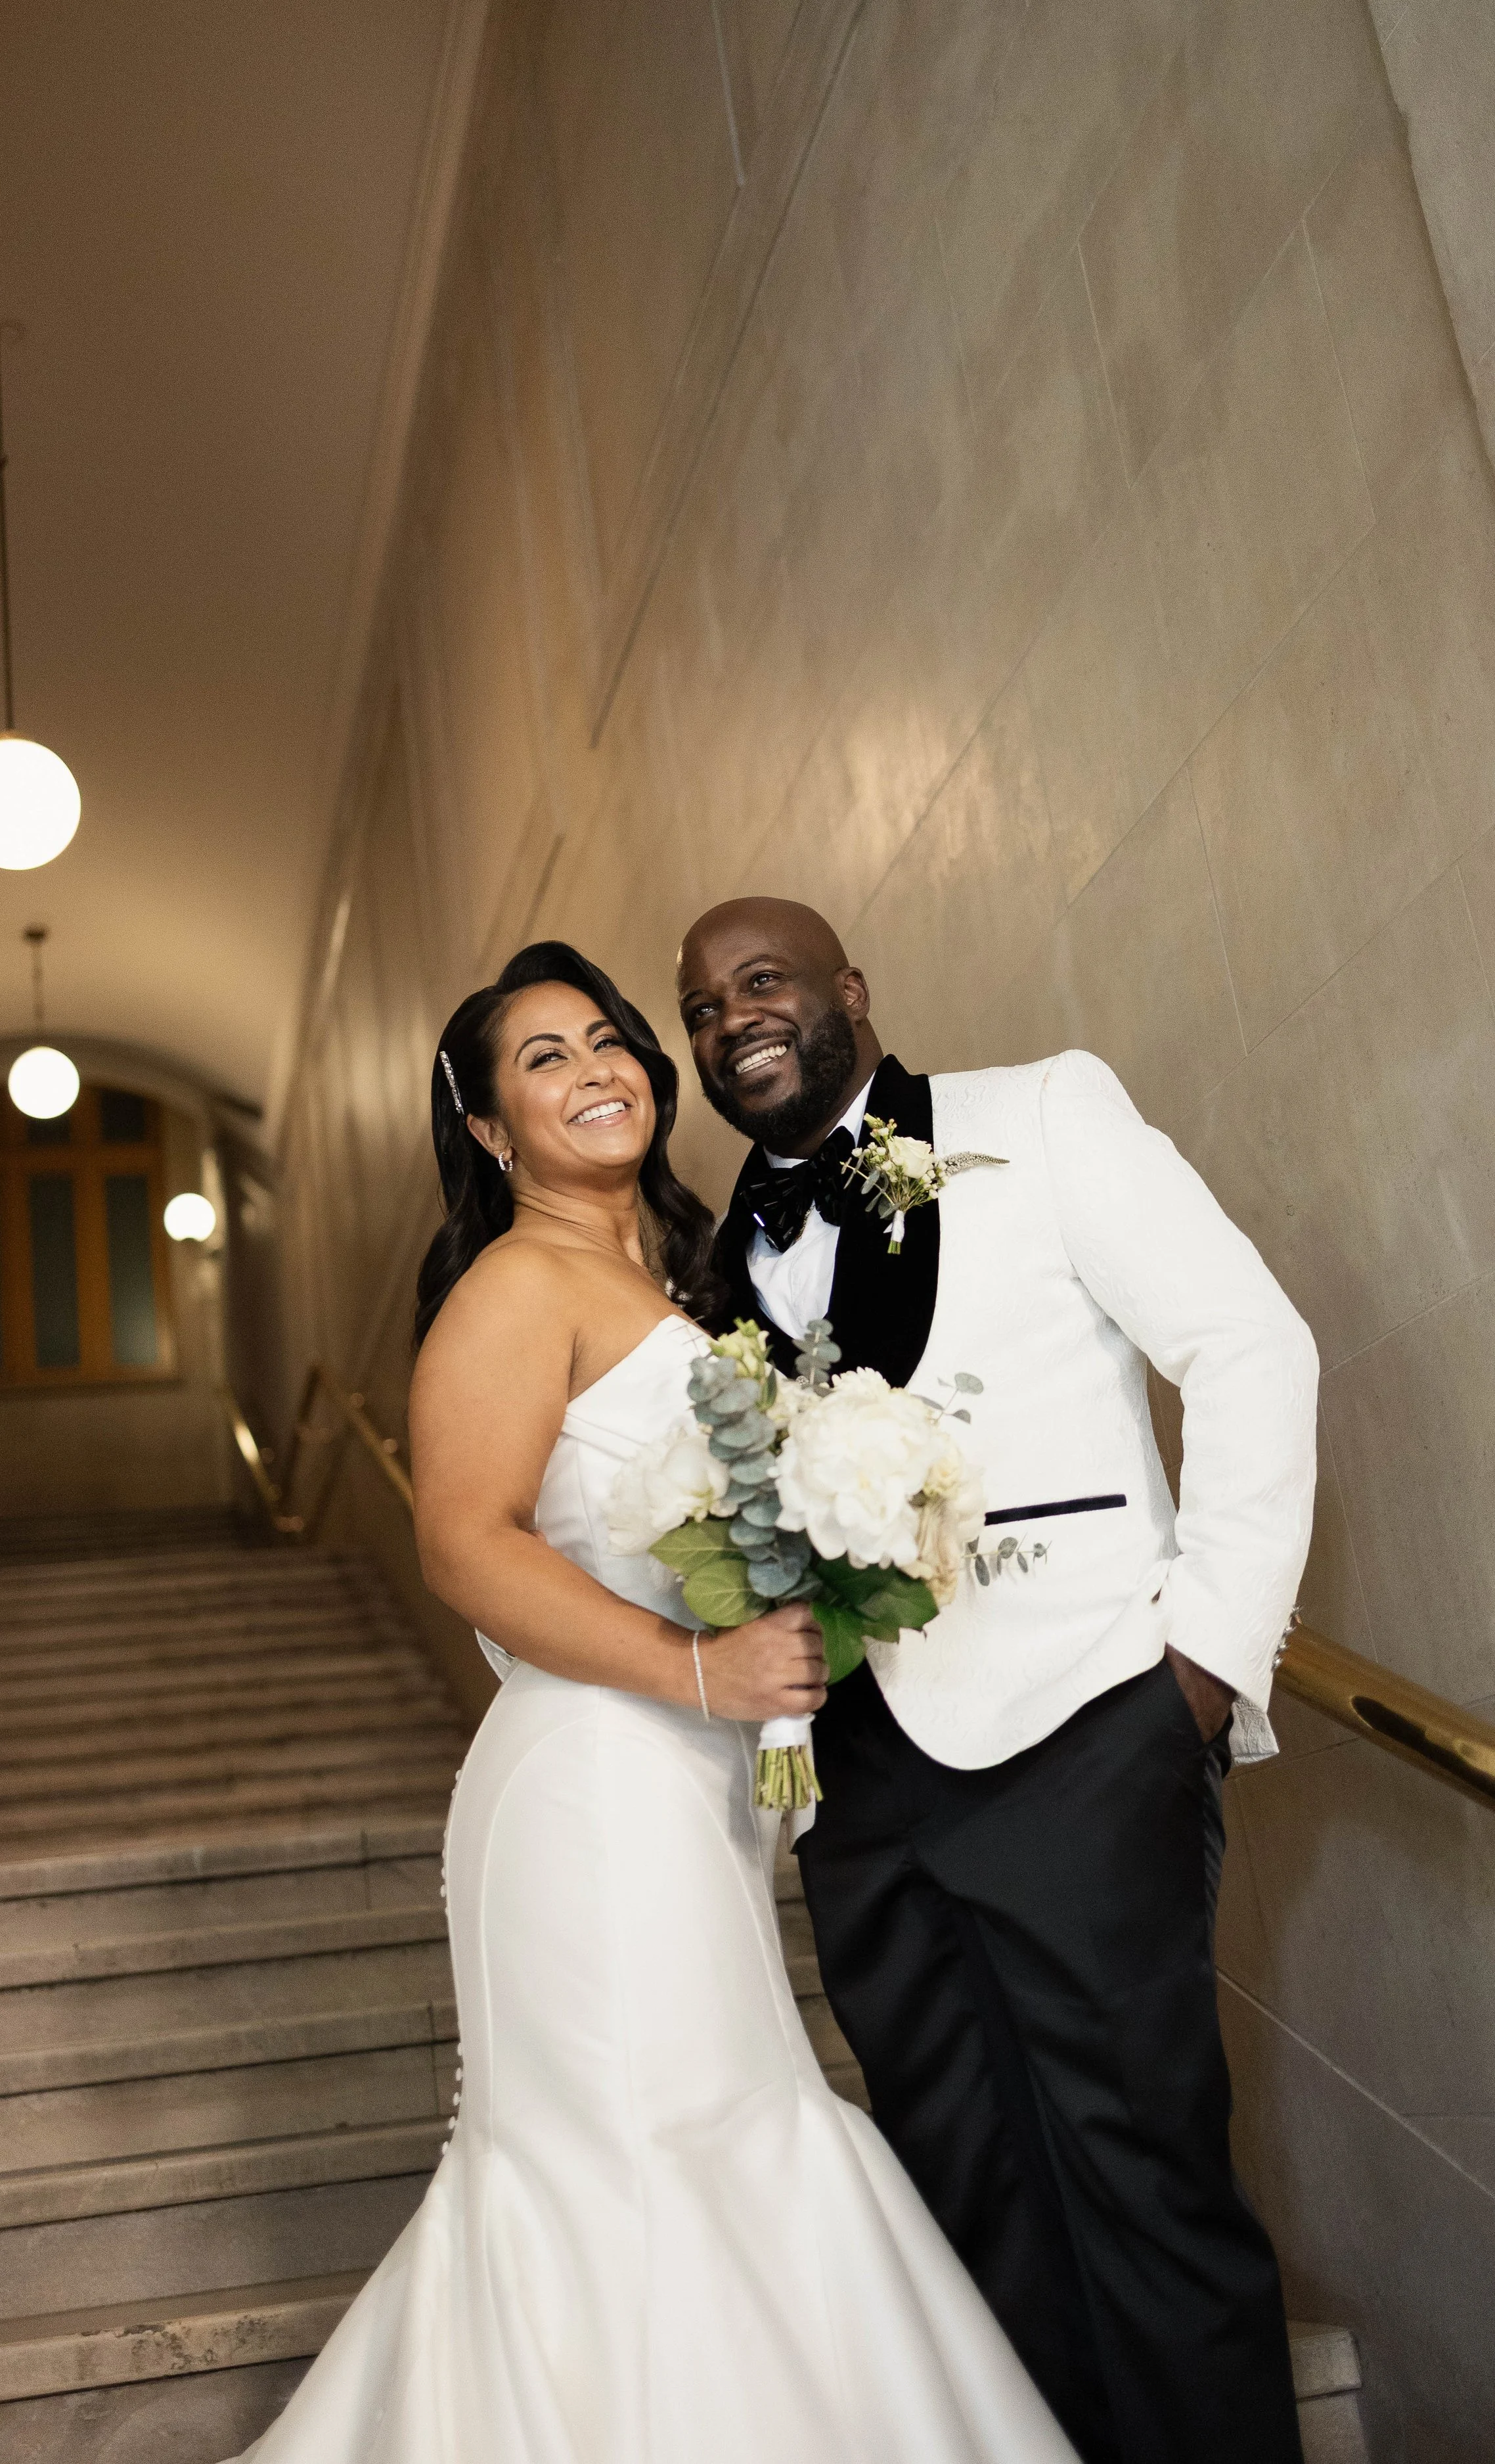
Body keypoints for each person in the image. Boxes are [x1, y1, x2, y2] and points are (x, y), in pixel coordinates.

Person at [219, 940, 1077, 2464]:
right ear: (488, 1133)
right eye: (541, 1059)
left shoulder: (672, 1279)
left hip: (688, 1783)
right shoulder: (511, 1284)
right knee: (640, 2160)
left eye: (605, 1039)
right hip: (590, 1789)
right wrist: (698, 1666)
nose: (594, 1068)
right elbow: (458, 1540)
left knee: (719, 2134)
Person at [676, 896, 1319, 2464]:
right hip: (860, 1787)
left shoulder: (1035, 1112)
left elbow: (1247, 1348)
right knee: (965, 2203)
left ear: (850, 989)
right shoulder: (708, 1269)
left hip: (1086, 1725)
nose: (729, 1017)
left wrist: (1200, 1666)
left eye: (761, 981)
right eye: (697, 1006)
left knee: (1145, 2185)